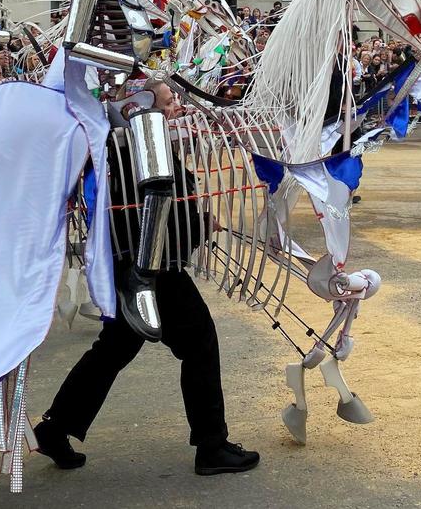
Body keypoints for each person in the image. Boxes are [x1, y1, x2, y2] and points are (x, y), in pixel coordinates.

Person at [35, 80, 260, 477]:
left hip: (133, 264)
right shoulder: (139, 146)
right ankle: (212, 446)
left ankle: (56, 428)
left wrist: (193, 222)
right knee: (200, 341)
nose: (178, 109)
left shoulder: (112, 147)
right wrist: (195, 229)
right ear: (140, 107)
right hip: (152, 267)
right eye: (170, 102)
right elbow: (153, 209)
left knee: (114, 348)